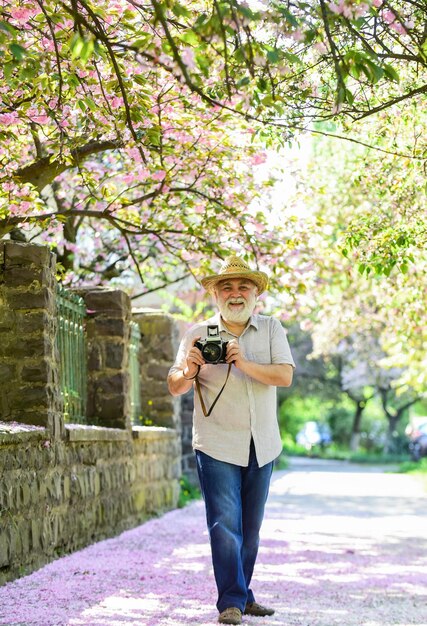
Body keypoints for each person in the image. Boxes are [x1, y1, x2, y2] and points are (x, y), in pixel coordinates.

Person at [167, 256, 295, 625]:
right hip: (216, 443)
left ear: (256, 294)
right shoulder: (197, 333)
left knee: (250, 529)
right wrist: (191, 369)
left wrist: (242, 363)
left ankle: (242, 594)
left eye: (243, 287)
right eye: (227, 287)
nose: (235, 293)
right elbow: (175, 385)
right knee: (225, 524)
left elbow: (284, 376)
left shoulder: (271, 329)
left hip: (263, 443)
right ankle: (231, 603)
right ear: (215, 294)